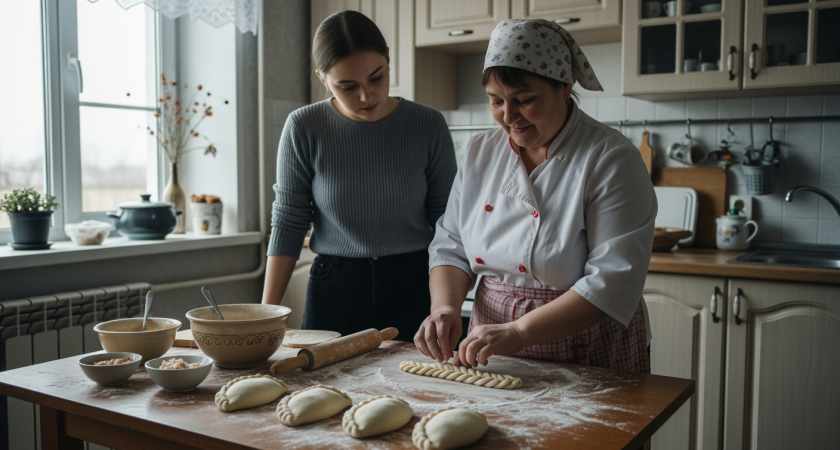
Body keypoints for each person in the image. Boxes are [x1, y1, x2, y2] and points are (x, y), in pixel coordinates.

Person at [415, 19, 656, 374]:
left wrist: (518, 331)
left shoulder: (609, 156)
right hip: (491, 339)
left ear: (564, 87)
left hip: (585, 338)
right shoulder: (482, 150)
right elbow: (451, 243)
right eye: (496, 101)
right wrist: (445, 309)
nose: (509, 117)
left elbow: (613, 279)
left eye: (524, 101)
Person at [261, 11, 457, 342]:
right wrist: (265, 315)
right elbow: (289, 221)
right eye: (347, 86)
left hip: (414, 282)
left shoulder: (427, 125)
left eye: (376, 78)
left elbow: (448, 225)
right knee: (323, 390)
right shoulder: (304, 127)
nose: (366, 97)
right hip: (334, 287)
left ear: (388, 63)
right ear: (324, 80)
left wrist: (445, 306)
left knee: (421, 388)